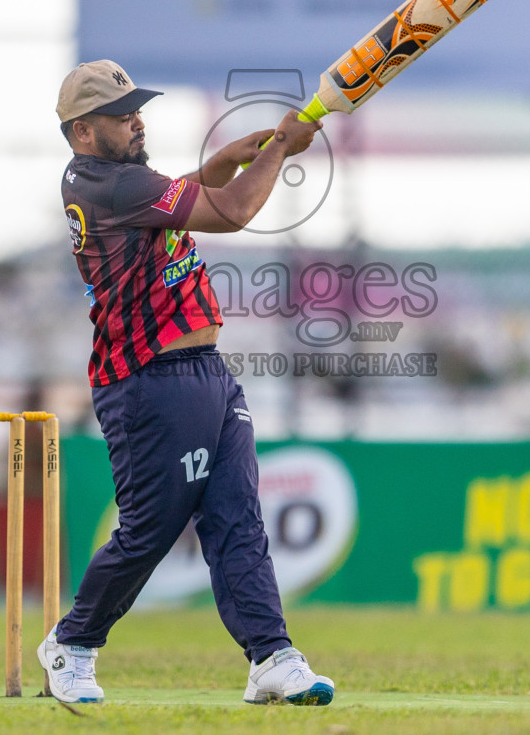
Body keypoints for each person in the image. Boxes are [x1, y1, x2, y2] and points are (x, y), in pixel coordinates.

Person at [39, 59, 334, 706]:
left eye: (136, 107)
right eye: (120, 115)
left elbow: (193, 195)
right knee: (150, 527)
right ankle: (72, 643)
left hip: (204, 373)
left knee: (237, 517)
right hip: (146, 379)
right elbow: (229, 213)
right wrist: (282, 145)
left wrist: (230, 155)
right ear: (83, 131)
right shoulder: (108, 183)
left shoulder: (117, 182)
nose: (135, 120)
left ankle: (271, 657)